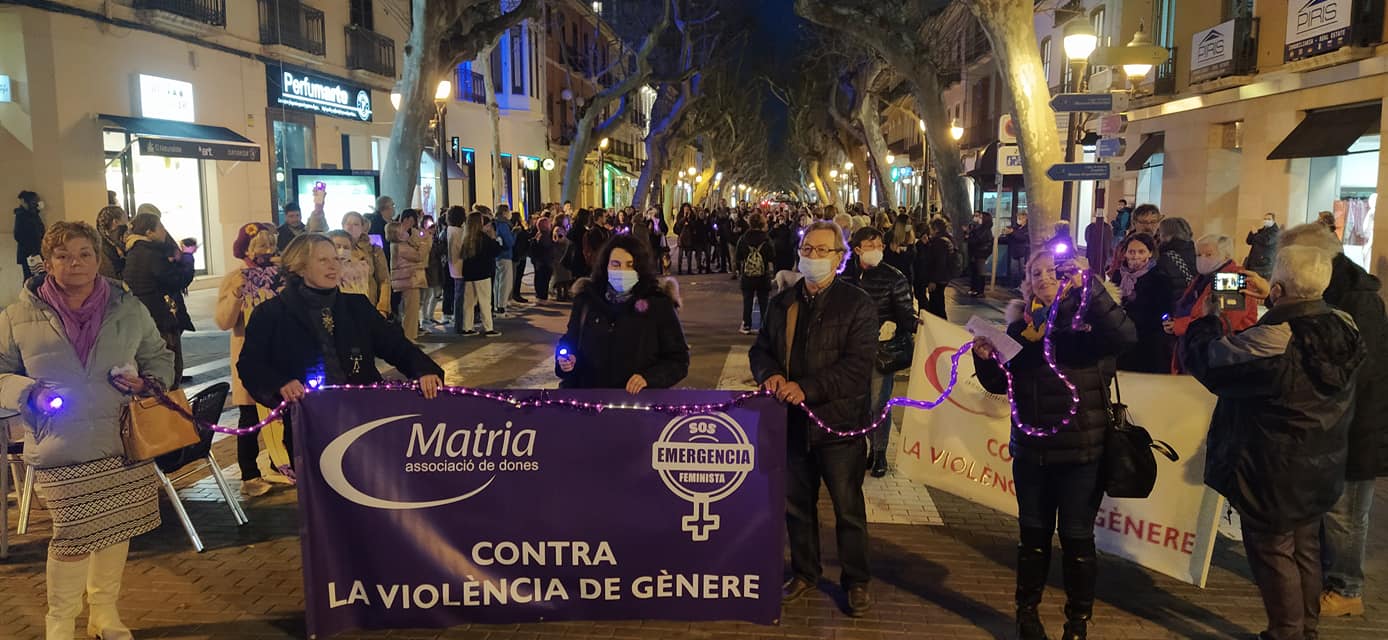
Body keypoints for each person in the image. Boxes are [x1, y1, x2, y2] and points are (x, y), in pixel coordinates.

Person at [0, 221, 174, 640]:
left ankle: (104, 615)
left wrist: (147, 381)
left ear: (98, 259)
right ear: (47, 261)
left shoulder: (127, 307)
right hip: (60, 443)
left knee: (115, 530)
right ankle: (60, 624)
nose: (74, 263)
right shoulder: (18, 314)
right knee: (73, 537)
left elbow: (160, 356)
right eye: (63, 255)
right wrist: (28, 393)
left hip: (121, 439)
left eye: (84, 254)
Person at [1181, 245, 1364, 640]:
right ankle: (1305, 630)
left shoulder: (1276, 339)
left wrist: (1210, 316)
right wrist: (1276, 297)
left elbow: (1207, 360)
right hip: (1320, 463)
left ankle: (1286, 632)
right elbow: (1310, 315)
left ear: (1279, 287)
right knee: (1305, 548)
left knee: (1273, 552)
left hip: (1272, 467)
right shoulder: (1344, 324)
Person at [972, 251, 1136, 640]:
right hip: (1031, 451)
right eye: (1036, 272)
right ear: (1027, 281)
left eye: (1053, 271)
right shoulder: (1018, 330)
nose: (1044, 277)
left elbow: (1126, 336)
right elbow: (999, 385)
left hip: (1082, 452)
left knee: (1078, 538)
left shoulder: (1089, 324)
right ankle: (1026, 613)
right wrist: (985, 360)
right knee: (1032, 536)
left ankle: (1077, 622)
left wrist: (1089, 287)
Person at [748, 221, 878, 618]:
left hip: (838, 427)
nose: (814, 257)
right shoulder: (781, 302)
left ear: (840, 258)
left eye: (823, 251)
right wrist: (768, 373)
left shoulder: (857, 304)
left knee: (847, 508)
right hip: (790, 424)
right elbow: (761, 349)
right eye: (808, 249)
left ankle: (856, 580)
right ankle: (805, 572)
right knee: (797, 507)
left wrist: (808, 387)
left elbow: (857, 368)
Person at [238, 233, 445, 463]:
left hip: (365, 421)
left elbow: (395, 345)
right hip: (309, 428)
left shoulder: (356, 306)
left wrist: (424, 369)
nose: (333, 266)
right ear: (300, 266)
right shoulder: (271, 314)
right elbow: (250, 365)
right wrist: (280, 384)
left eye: (335, 259)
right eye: (323, 260)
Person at [1275, 224, 1388, 618]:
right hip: (1336, 424)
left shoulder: (1358, 300)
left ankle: (1347, 589)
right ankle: (1331, 577)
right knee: (1331, 510)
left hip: (1358, 427)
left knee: (1347, 513)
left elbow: (1355, 369)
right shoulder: (1335, 292)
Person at [556, 234, 689, 391]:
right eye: (616, 264)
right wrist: (566, 361)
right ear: (606, 266)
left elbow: (678, 360)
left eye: (630, 265)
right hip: (590, 404)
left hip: (638, 406)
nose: (622, 271)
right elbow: (570, 341)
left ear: (640, 268)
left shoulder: (658, 304)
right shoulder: (587, 301)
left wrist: (649, 378)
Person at [215, 223, 286, 498]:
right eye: (260, 246)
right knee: (248, 417)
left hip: (280, 353)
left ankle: (278, 463)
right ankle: (249, 473)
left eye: (271, 245)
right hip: (249, 355)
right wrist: (236, 295)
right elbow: (223, 321)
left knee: (280, 412)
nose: (267, 251)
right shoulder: (236, 277)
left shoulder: (281, 276)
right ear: (246, 249)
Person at [842, 227, 916, 479]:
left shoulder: (894, 278)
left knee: (878, 404)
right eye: (870, 245)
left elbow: (907, 315)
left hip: (880, 353)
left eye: (879, 245)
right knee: (856, 404)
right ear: (857, 249)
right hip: (850, 353)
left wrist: (902, 325)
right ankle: (861, 449)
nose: (876, 250)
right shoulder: (844, 276)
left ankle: (880, 452)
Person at [1163, 235, 1259, 373]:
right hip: (1198, 348)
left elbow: (1225, 321)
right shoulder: (1203, 278)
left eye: (1208, 254)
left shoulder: (1231, 279)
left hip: (1220, 356)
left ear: (1225, 256)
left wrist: (1180, 325)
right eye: (1198, 254)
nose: (1201, 259)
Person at [122, 212, 195, 385]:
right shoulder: (150, 253)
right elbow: (176, 280)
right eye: (160, 227)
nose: (164, 231)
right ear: (149, 232)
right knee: (169, 366)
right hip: (161, 316)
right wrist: (187, 257)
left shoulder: (137, 251)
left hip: (147, 314)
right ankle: (169, 407)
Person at [1109, 233, 1173, 373]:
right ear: (1125, 253)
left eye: (1141, 251)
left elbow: (1163, 308)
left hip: (1147, 339)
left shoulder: (1159, 276)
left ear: (1150, 253)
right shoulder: (1118, 275)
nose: (1135, 256)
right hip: (1123, 336)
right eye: (1131, 251)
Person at [387, 209, 431, 341]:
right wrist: (425, 242)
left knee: (410, 309)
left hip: (408, 279)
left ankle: (409, 336)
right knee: (411, 310)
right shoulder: (400, 246)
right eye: (402, 230)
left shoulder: (401, 244)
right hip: (409, 280)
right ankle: (409, 337)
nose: (406, 231)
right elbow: (419, 256)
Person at [458, 211, 503, 337]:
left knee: (468, 302)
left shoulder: (466, 238)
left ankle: (467, 327)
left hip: (468, 274)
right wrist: (494, 238)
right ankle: (488, 328)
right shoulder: (483, 238)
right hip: (482, 273)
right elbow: (496, 250)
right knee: (484, 301)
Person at [341, 211, 391, 317]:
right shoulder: (336, 248)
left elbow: (384, 280)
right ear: (343, 226)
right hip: (343, 306)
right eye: (348, 224)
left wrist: (383, 307)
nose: (351, 227)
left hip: (368, 304)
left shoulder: (373, 250)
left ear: (363, 228)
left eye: (356, 224)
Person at [734, 212, 775, 335]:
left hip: (748, 274)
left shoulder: (744, 238)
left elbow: (738, 256)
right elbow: (772, 256)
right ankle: (765, 326)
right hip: (763, 275)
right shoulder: (767, 239)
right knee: (764, 301)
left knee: (748, 301)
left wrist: (739, 268)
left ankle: (746, 325)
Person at [918, 219, 957, 320]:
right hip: (945, 275)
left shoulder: (939, 241)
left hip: (938, 278)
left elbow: (939, 262)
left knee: (936, 304)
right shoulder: (948, 239)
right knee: (939, 301)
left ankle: (939, 325)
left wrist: (933, 280)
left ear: (935, 229)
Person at [1154, 217, 1196, 303]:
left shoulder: (1165, 257)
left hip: (1175, 304)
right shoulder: (1198, 252)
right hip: (1194, 303)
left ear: (1166, 234)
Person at [15, 190, 46, 282]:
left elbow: (40, 230)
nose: (35, 203)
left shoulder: (34, 214)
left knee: (40, 276)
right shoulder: (21, 215)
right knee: (29, 278)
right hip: (28, 253)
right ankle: (28, 295)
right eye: (33, 201)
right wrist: (32, 250)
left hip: (37, 251)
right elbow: (18, 235)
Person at [492, 204, 517, 316]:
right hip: (505, 255)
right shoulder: (503, 225)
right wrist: (515, 233)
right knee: (505, 283)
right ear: (504, 213)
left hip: (496, 256)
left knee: (497, 282)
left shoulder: (495, 223)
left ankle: (497, 305)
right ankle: (502, 307)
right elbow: (509, 242)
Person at [95, 205, 128, 281]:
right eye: (125, 220)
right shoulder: (101, 249)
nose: (127, 225)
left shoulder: (113, 243)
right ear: (115, 222)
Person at [1244, 212, 1280, 279]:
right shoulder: (1261, 231)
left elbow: (1267, 241)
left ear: (1273, 221)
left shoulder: (1275, 232)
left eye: (1269, 219)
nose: (1266, 220)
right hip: (1254, 262)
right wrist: (1252, 233)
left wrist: (1255, 234)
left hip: (1263, 265)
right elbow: (1249, 241)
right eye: (1265, 219)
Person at [966, 211, 994, 296]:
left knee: (980, 272)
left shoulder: (986, 230)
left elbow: (979, 240)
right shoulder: (978, 228)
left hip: (980, 253)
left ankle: (980, 290)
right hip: (976, 252)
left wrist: (970, 239)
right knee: (975, 271)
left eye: (981, 217)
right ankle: (974, 289)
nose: (979, 219)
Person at [883, 215, 915, 286]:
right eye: (908, 224)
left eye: (910, 223)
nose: (909, 226)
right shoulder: (889, 236)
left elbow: (912, 257)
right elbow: (886, 258)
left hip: (906, 276)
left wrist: (902, 252)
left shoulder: (910, 237)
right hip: (891, 276)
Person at [510, 211, 532, 305]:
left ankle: (516, 294)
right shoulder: (517, 229)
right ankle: (515, 294)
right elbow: (524, 237)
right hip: (519, 254)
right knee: (517, 276)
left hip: (520, 253)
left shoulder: (513, 227)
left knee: (517, 276)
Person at [1004, 212, 1030, 285]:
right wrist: (1007, 234)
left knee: (1022, 271)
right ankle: (1015, 285)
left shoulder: (1027, 228)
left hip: (1023, 252)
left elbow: (1022, 238)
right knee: (1014, 271)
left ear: (1025, 219)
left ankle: (1022, 286)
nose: (1019, 220)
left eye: (1020, 218)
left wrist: (1012, 232)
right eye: (1018, 218)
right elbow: (1011, 239)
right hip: (1014, 252)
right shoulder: (1016, 227)